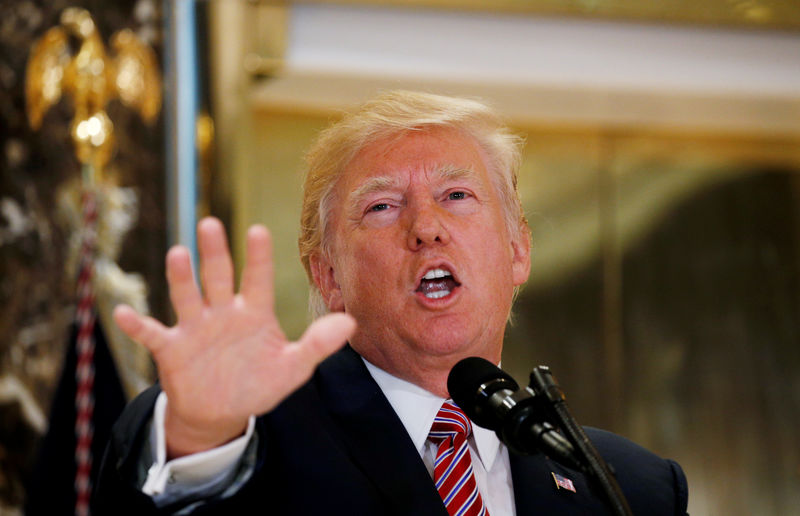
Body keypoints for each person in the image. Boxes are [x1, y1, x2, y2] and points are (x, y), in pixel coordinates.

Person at [94, 91, 689, 515]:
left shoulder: (633, 487)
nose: (426, 227)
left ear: (517, 250)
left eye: (456, 195)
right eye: (382, 206)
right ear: (328, 274)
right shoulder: (254, 437)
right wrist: (199, 433)